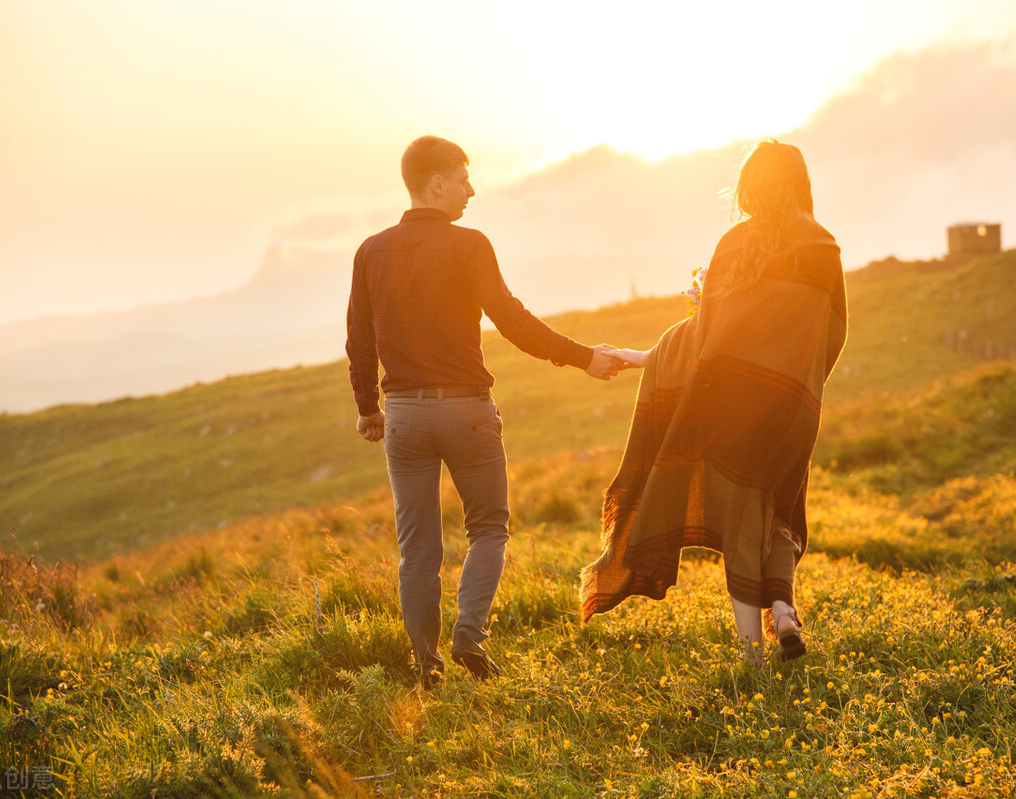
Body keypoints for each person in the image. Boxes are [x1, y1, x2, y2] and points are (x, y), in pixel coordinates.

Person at [347, 135, 622, 686]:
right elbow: (513, 321)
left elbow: (359, 339)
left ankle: (426, 665)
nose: (471, 191)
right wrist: (584, 357)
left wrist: (368, 408)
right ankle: (469, 636)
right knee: (489, 530)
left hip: (404, 416)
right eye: (463, 179)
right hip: (466, 411)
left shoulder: (371, 252)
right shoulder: (469, 245)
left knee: (417, 552)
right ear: (437, 184)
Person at [579, 140, 847, 664]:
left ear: (749, 187)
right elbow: (832, 333)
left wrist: (647, 357)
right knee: (780, 502)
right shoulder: (823, 247)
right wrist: (800, 382)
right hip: (793, 404)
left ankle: (752, 658)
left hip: (731, 404)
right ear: (801, 183)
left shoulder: (735, 244)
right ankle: (783, 609)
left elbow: (705, 334)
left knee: (742, 513)